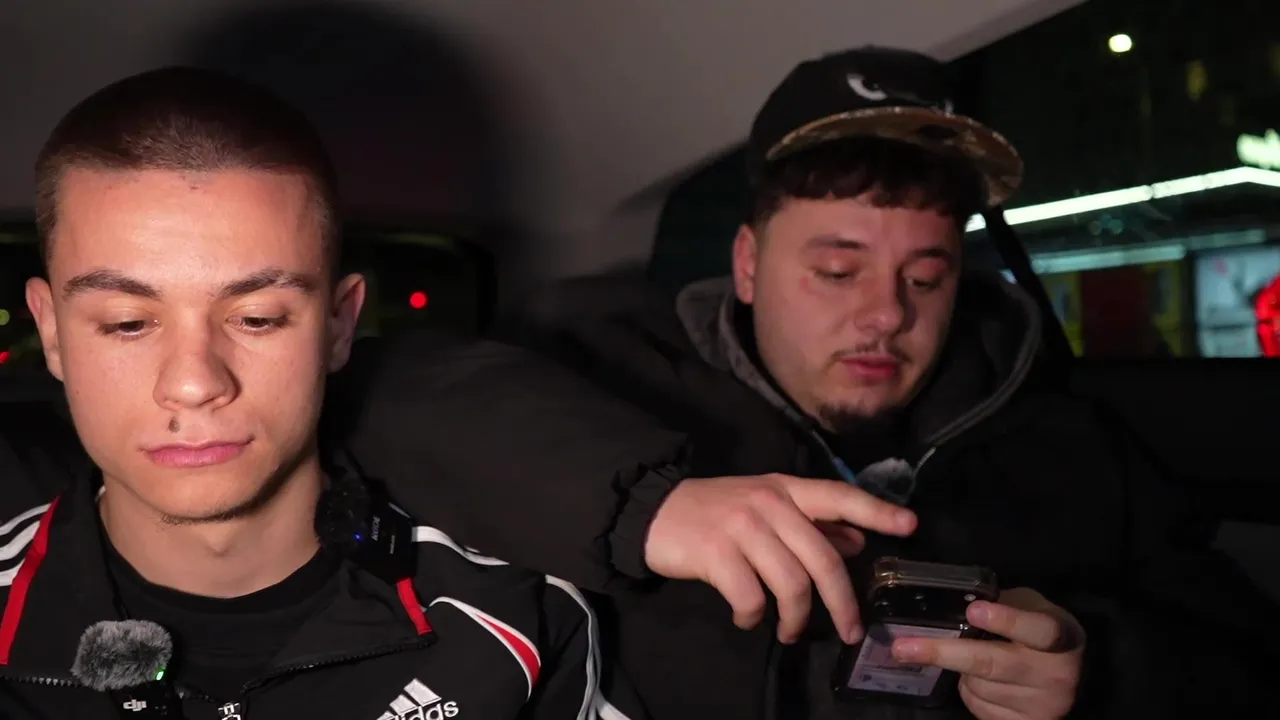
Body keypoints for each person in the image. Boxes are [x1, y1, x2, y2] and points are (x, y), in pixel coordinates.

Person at [444, 46, 1277, 718]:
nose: (886, 315)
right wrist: (648, 504)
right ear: (747, 264)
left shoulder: (1070, 446)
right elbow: (409, 401)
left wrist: (1096, 671)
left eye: (925, 278)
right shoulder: (618, 389)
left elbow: (1242, 657)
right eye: (838, 272)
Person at [0, 66, 636, 720]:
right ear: (51, 333)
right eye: (128, 323)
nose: (193, 384)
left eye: (258, 318)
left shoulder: (521, 624)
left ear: (339, 326)